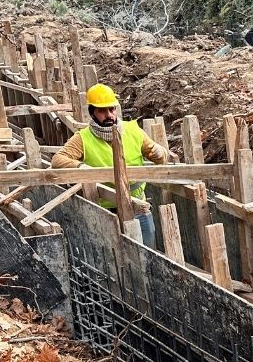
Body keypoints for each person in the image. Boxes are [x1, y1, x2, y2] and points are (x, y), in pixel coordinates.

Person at [51, 83, 173, 247]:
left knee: (147, 253)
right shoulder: (83, 138)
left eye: (111, 109)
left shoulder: (133, 130)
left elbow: (159, 156)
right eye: (102, 111)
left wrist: (160, 153)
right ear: (92, 113)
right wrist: (81, 168)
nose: (108, 115)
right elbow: (58, 160)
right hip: (105, 211)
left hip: (138, 207)